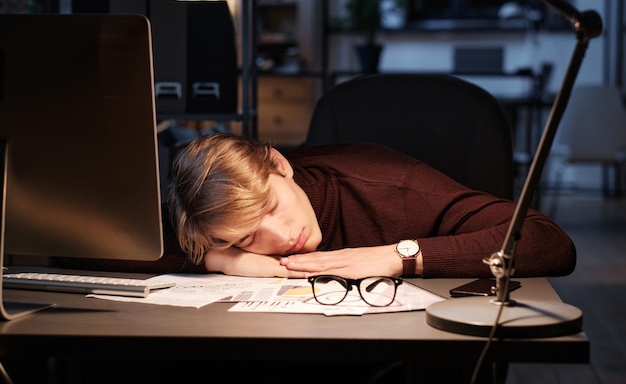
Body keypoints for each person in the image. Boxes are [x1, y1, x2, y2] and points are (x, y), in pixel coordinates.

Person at [168, 132, 576, 280]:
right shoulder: (219, 230)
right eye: (249, 236)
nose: (282, 237)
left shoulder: (393, 189)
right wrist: (220, 259)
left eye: (272, 207)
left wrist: (400, 256)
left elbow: (550, 242)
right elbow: (112, 244)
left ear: (279, 165)